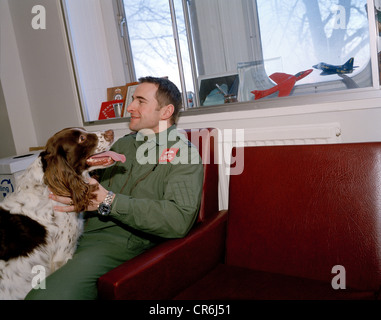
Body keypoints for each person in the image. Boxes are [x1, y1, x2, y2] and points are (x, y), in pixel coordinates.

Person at [25, 76, 204, 300]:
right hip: (78, 232)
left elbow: (179, 220)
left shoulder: (184, 155)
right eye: (132, 100)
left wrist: (109, 201)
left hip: (117, 242)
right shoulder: (123, 145)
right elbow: (95, 191)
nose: (130, 107)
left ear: (166, 112)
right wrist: (78, 198)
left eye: (140, 101)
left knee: (41, 297)